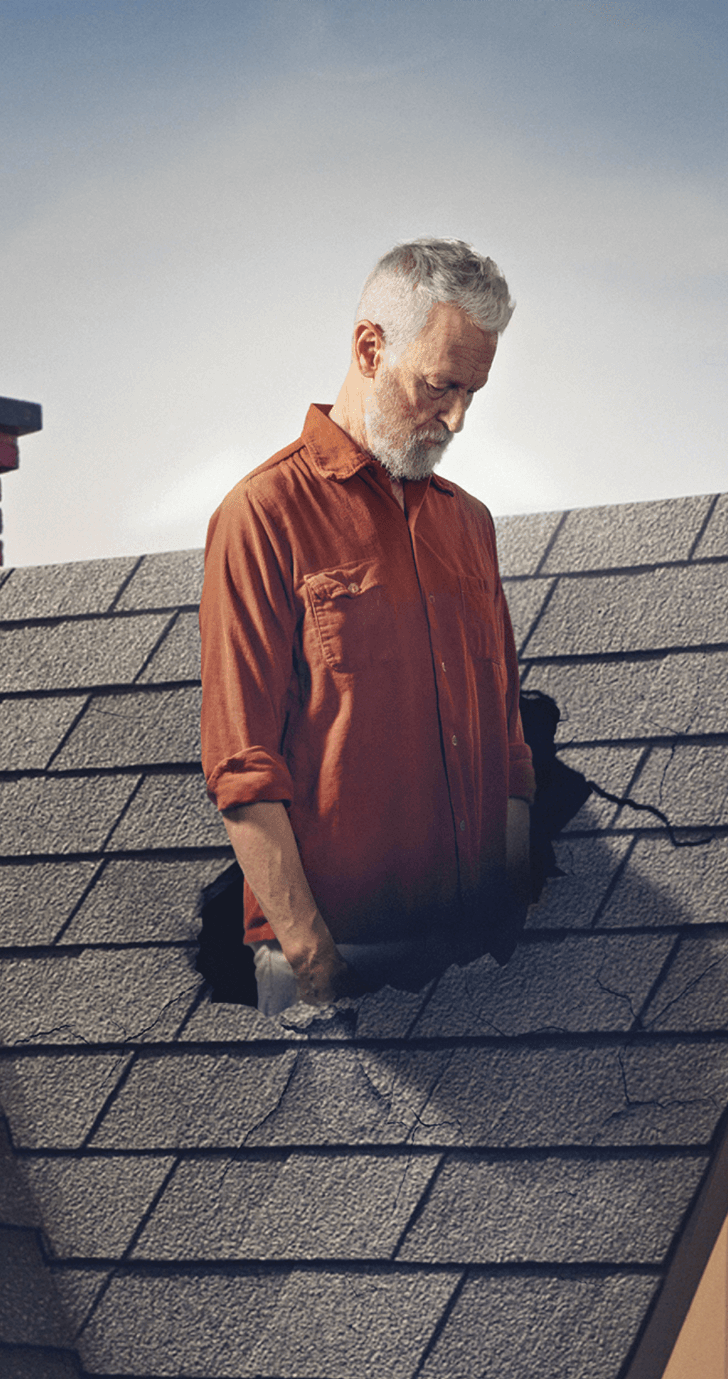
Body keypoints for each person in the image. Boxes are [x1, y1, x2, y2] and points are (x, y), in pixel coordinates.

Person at [199, 238, 535, 1014]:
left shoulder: (470, 527)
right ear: (369, 348)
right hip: (332, 964)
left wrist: (508, 918)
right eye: (439, 385)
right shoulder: (260, 516)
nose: (456, 416)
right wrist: (313, 958)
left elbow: (509, 751)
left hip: (471, 961)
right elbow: (240, 765)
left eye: (472, 393)